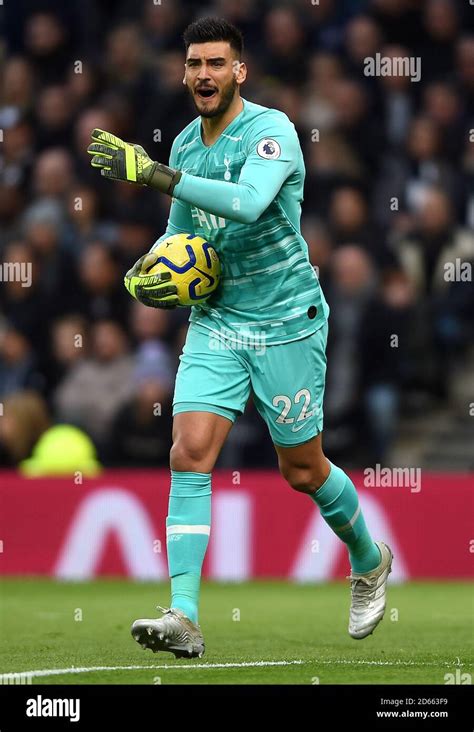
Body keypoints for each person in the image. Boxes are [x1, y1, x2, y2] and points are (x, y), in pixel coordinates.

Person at [87, 17, 393, 659]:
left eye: (217, 63)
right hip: (219, 319)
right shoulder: (185, 147)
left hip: (286, 319)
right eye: (195, 63)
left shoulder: (272, 131)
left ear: (239, 71)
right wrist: (144, 272)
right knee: (189, 452)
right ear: (184, 72)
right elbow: (180, 231)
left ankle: (368, 560)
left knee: (302, 468)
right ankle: (186, 616)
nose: (204, 74)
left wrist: (151, 174)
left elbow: (251, 203)